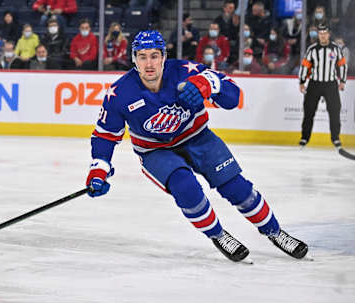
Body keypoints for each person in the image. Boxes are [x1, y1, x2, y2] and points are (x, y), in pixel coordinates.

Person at [85, 30, 309, 263]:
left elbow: (233, 98)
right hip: (155, 151)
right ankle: (219, 235)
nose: (149, 63)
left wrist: (207, 85)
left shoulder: (185, 71)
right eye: (142, 56)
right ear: (134, 59)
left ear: (164, 56)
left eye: (154, 55)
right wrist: (98, 169)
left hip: (198, 137)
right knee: (186, 187)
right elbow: (105, 136)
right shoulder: (120, 94)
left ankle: (274, 231)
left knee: (237, 188)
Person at [298, 24, 347, 149]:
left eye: (325, 33)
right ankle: (304, 138)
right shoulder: (312, 49)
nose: (323, 36)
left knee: (335, 111)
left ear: (329, 35)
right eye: (320, 33)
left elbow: (342, 65)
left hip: (331, 84)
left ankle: (335, 138)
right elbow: (305, 65)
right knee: (309, 111)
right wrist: (302, 82)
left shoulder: (336, 49)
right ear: (318, 35)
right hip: (315, 83)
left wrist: (342, 81)